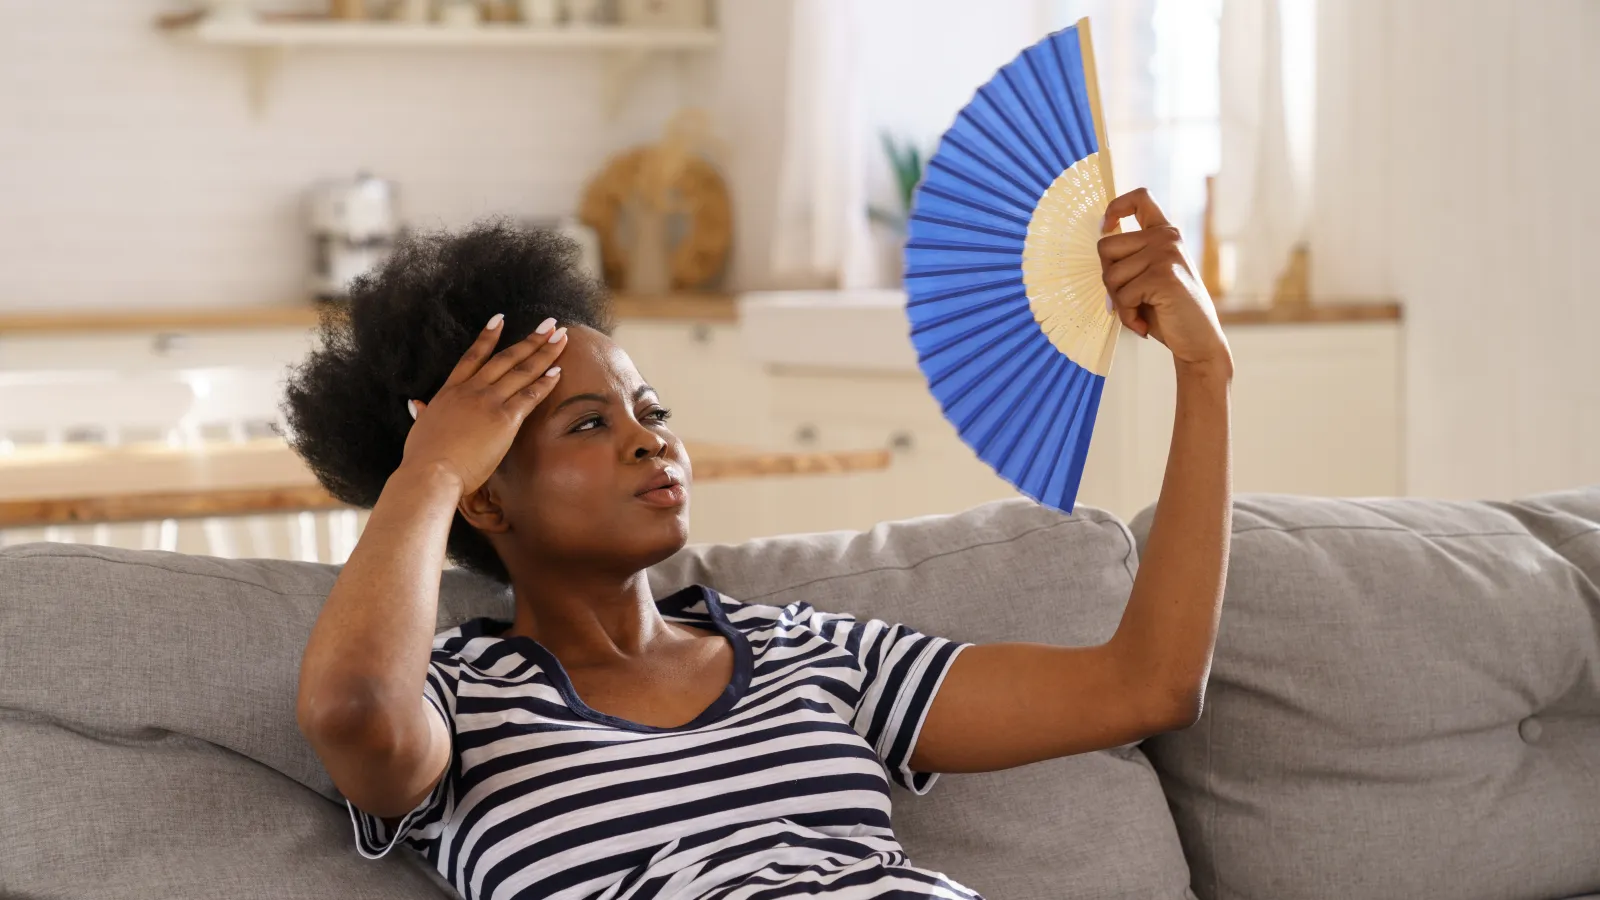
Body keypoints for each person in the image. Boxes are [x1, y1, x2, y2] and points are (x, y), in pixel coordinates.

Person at [290, 187, 1233, 900]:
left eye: (653, 410)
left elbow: (1147, 685)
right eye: (586, 425)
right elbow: (352, 711)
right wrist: (430, 474)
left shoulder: (806, 651)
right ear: (489, 497)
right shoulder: (460, 700)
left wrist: (1205, 371)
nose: (650, 438)